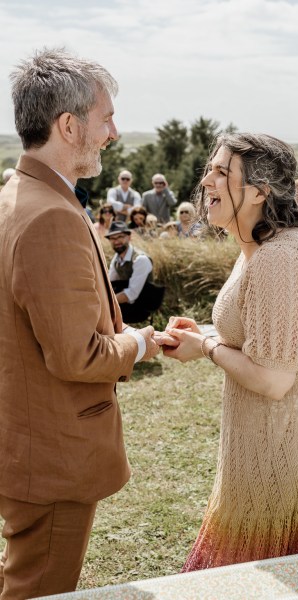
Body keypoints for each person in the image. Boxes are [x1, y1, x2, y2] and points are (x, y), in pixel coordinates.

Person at [0, 47, 159, 600]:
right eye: (106, 117)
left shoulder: (19, 197)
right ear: (68, 125)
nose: (113, 131)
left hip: (25, 437)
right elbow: (77, 356)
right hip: (51, 453)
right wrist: (141, 341)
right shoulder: (48, 216)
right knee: (39, 587)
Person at [158, 133, 298, 571]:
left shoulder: (277, 259)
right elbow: (264, 333)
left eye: (222, 172)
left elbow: (273, 379)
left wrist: (206, 346)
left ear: (260, 191)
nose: (206, 180)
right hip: (270, 451)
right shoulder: (260, 248)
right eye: (211, 168)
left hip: (283, 463)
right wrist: (205, 332)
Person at [106, 221, 162, 323]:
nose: (116, 241)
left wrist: (106, 303)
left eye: (120, 237)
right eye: (113, 238)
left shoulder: (140, 259)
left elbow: (131, 294)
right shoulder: (117, 258)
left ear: (129, 237)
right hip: (127, 304)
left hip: (141, 307)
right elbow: (110, 282)